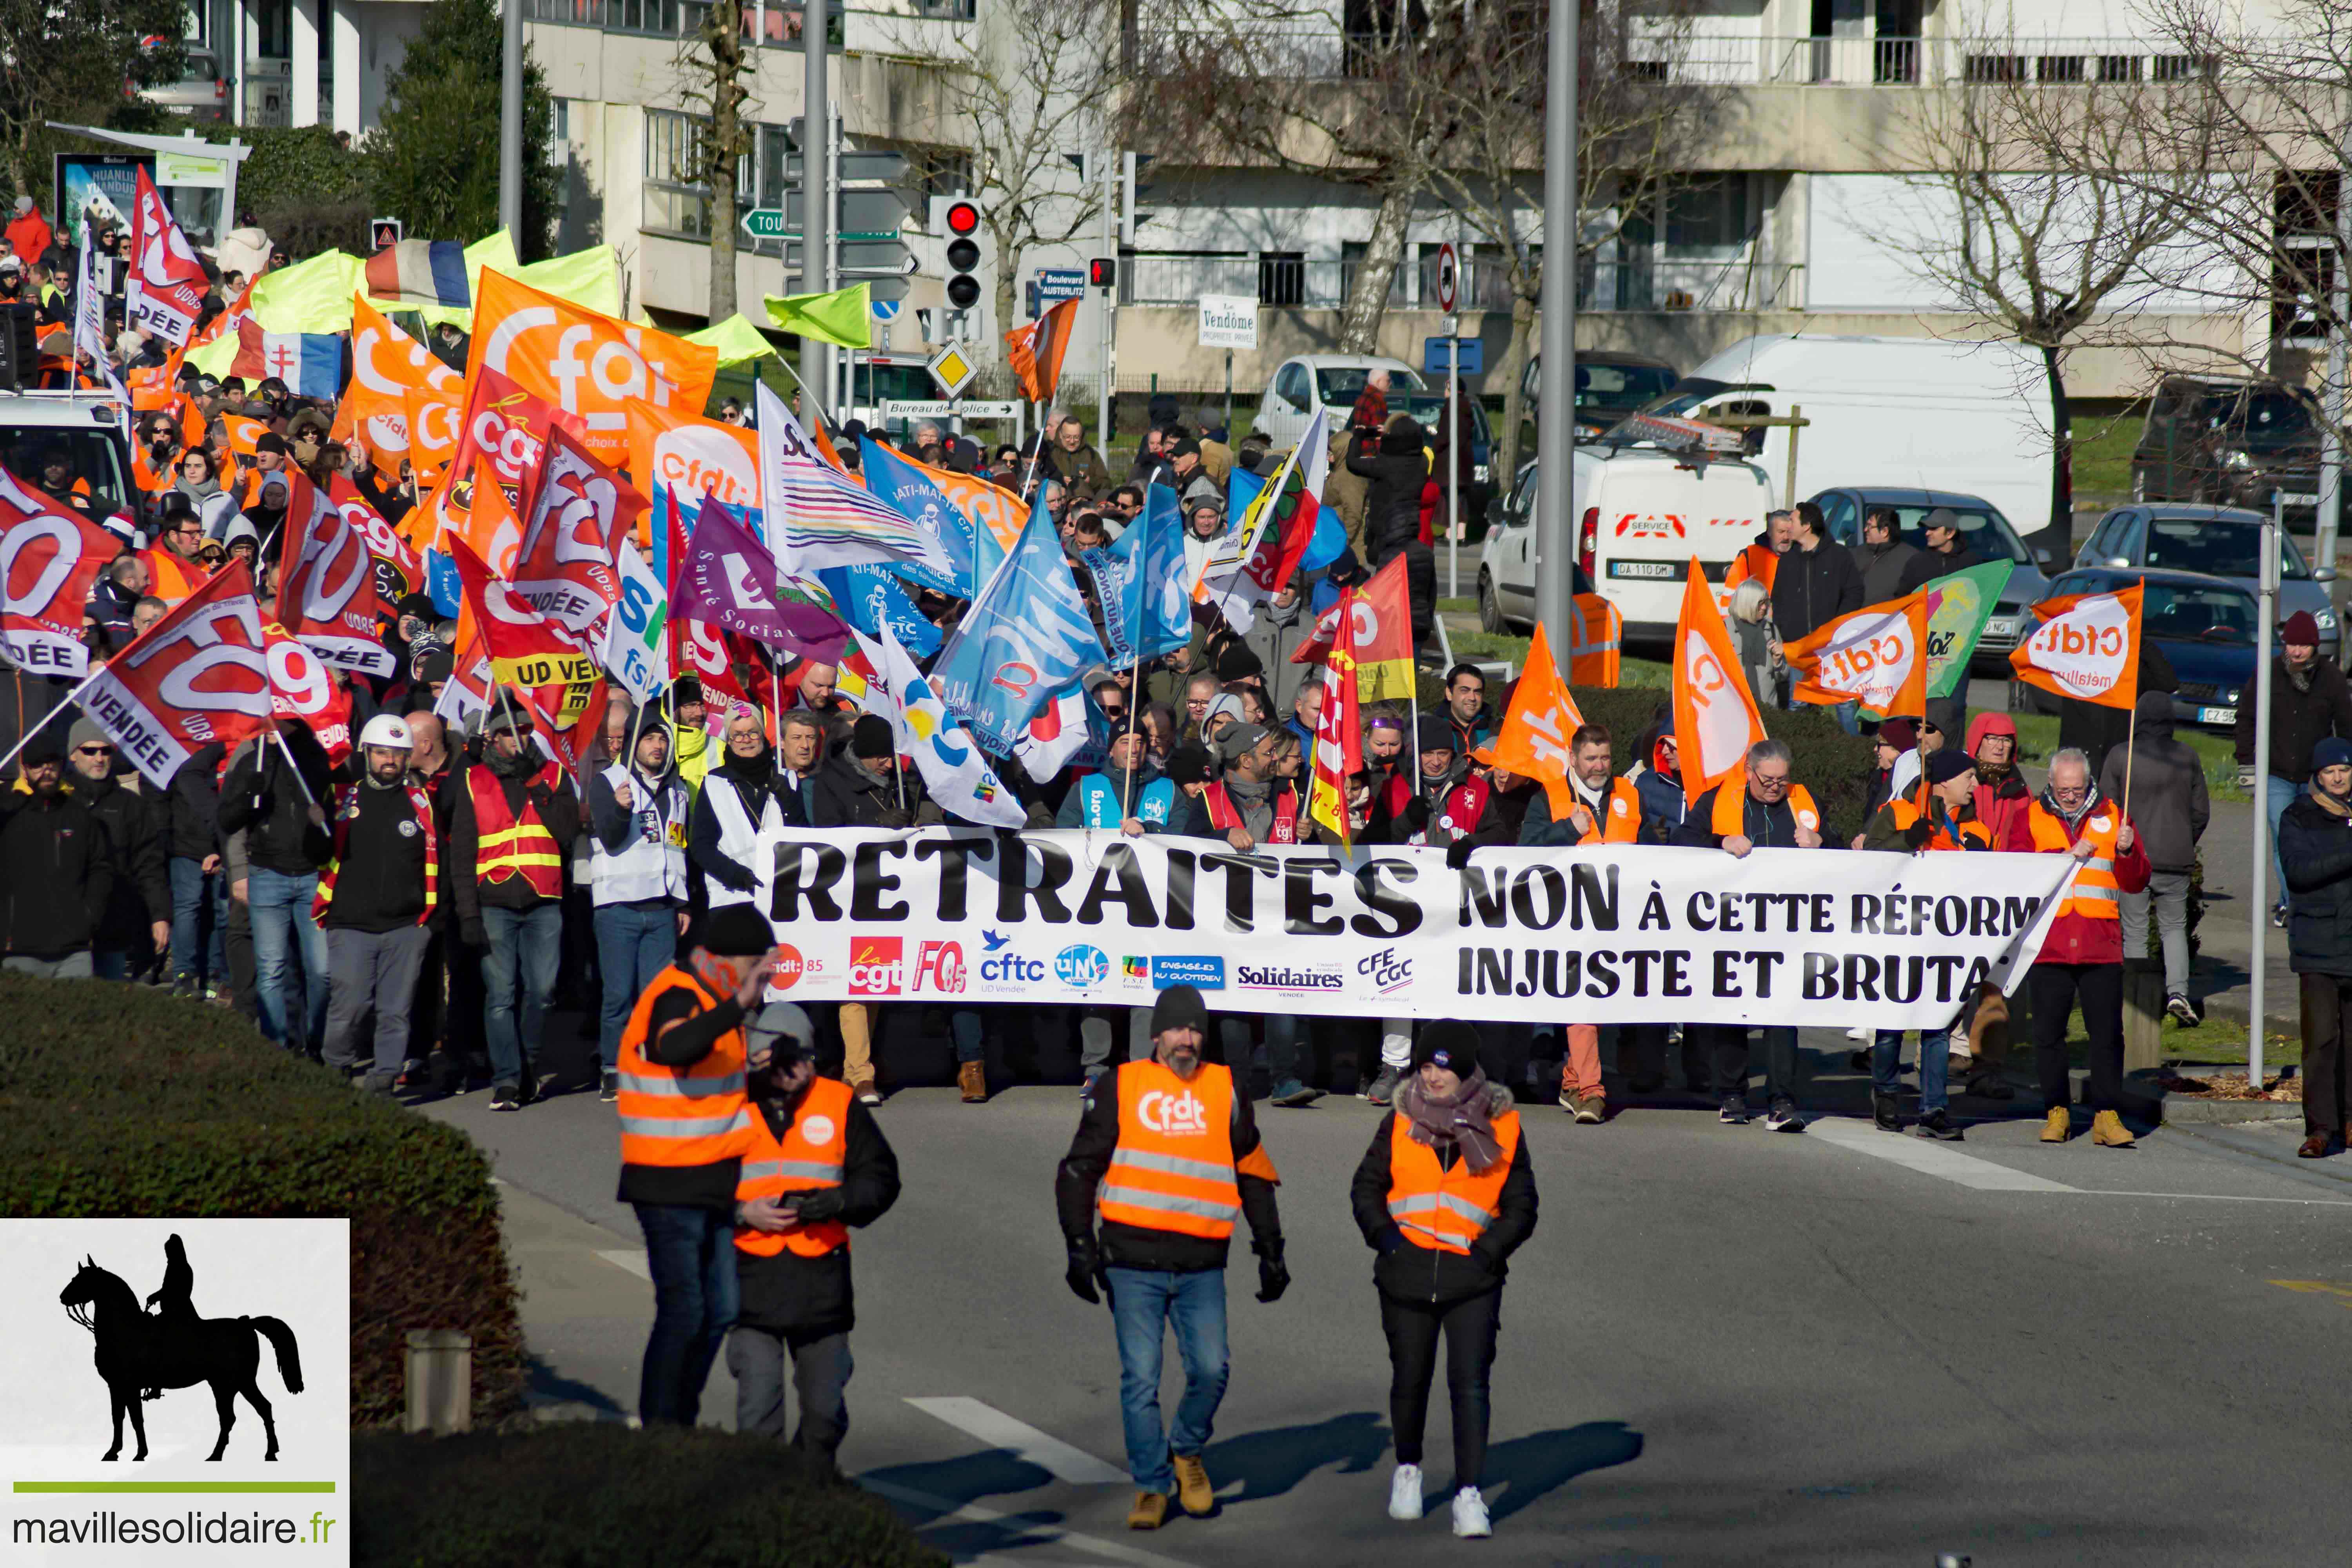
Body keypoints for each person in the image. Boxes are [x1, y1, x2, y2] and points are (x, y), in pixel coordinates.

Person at [1055, 984, 1286, 1532]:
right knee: (1141, 1379)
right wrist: (1079, 1244)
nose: (1187, 1040)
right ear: (1155, 1034)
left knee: (1211, 1369)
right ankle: (1152, 1486)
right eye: (1177, 1030)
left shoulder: (1226, 1087)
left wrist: (1271, 1247)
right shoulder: (1123, 1083)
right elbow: (1079, 1169)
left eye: (1195, 1030)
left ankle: (1186, 1449)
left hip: (1202, 1262)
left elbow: (1252, 1170)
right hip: (1131, 1262)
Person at [1349, 1020, 1536, 1540]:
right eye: (1426, 1066)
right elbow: (1366, 1189)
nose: (1432, 1077)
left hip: (1472, 1280)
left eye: (1444, 1068)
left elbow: (1522, 1207)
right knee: (1409, 1380)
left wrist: (1488, 1253)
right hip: (1405, 1275)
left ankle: (1468, 1495)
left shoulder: (1505, 1128)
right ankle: (1408, 1470)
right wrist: (1388, 1242)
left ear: (1468, 1073)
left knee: (1470, 1387)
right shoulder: (1399, 1121)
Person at [616, 905, 790, 1427]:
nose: (759, 979)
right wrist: (738, 1005)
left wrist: (770, 1077)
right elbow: (674, 1046)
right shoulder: (678, 992)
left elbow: (710, 1088)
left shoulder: (715, 1000)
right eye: (755, 967)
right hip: (668, 1183)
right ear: (722, 960)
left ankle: (678, 1426)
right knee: (686, 1310)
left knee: (721, 1311)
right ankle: (663, 1431)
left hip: (714, 1182)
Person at [726, 1001, 901, 1468]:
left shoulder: (838, 1102)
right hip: (750, 1281)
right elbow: (686, 1188)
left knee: (825, 1413)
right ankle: (768, 1509)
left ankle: (811, 1484)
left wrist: (836, 1202)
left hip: (820, 1282)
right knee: (758, 1414)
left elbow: (881, 1179)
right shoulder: (727, 1106)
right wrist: (743, 1212)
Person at [2002, 747, 2152, 1147]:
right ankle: (2057, 1111)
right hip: (2049, 944)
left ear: (2089, 783)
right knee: (2048, 1033)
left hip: (2099, 943)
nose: (2070, 795)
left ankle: (2106, 1115)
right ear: (2050, 782)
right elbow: (2016, 871)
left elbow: (2136, 881)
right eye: (2063, 788)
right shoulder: (2029, 817)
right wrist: (2063, 856)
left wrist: (2127, 850)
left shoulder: (2115, 816)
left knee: (2107, 1035)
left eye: (2077, 788)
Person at [1675, 738, 1824, 1131]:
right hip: (1732, 927)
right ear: (1749, 772)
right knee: (1732, 1010)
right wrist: (1719, 842)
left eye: (1782, 780)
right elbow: (1680, 841)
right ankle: (1732, 1094)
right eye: (1767, 780)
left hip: (1787, 930)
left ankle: (1782, 1101)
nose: (1775, 787)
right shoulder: (1718, 800)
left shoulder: (1802, 802)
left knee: (1782, 1013)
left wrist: (1821, 842)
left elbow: (1842, 855)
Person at [450, 697, 580, 1111]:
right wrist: (468, 913)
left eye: (523, 731)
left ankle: (527, 1064)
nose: (517, 739)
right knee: (501, 994)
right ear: (494, 737)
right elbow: (462, 853)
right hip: (494, 902)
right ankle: (507, 1079)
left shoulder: (554, 775)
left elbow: (565, 831)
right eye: (508, 732)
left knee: (542, 993)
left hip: (544, 899)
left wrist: (534, 782)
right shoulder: (474, 779)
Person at [1860, 750, 1994, 1138]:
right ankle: (1886, 1092)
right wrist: (1907, 840)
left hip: (1948, 943)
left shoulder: (1978, 830)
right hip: (1900, 938)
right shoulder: (1902, 812)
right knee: (1893, 1023)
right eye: (1969, 777)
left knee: (1936, 1024)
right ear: (1945, 781)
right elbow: (1870, 858)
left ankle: (1934, 1109)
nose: (1975, 785)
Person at [314, 715, 439, 1094]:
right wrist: (312, 826)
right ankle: (336, 1068)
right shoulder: (340, 799)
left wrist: (428, 921)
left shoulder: (422, 803)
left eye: (398, 754)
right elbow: (315, 855)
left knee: (395, 1012)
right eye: (382, 752)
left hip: (406, 927)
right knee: (348, 1007)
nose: (390, 761)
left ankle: (384, 1080)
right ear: (366, 754)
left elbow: (439, 861)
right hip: (351, 924)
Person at [589, 704, 693, 1102]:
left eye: (663, 738)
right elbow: (611, 838)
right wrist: (620, 808)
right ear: (633, 743)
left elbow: (677, 846)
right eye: (650, 738)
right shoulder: (608, 781)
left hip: (663, 907)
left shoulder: (678, 787)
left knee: (657, 995)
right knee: (618, 994)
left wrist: (683, 902)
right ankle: (614, 1067)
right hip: (619, 906)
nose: (658, 746)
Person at [216, 722, 333, 1056]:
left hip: (313, 874)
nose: (273, 722)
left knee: (321, 972)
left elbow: (335, 812)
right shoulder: (251, 755)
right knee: (271, 970)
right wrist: (246, 794)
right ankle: (277, 1049)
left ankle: (316, 1045)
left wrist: (322, 822)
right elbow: (227, 820)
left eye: (282, 714)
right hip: (266, 873)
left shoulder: (315, 753)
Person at [2234, 610, 2352, 927]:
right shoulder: (2268, 674)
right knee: (2284, 839)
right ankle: (2293, 904)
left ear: (2315, 645)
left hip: (2319, 778)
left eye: (2304, 645)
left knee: (2321, 841)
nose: (2297, 651)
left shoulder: (2331, 679)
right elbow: (2246, 717)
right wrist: (2247, 762)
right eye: (2291, 645)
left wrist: (2345, 769)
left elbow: (2346, 726)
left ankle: (2315, 901)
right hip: (2277, 774)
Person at [2100, 688, 2209, 1024]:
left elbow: (2106, 809)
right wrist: (2184, 839)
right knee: (2174, 928)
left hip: (2134, 856)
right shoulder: (2187, 756)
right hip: (2176, 858)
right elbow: (2200, 812)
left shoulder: (2122, 756)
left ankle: (2135, 999)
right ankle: (2178, 992)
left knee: (2133, 928)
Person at [2280, 737, 2352, 1158]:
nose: (2339, 777)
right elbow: (2299, 873)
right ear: (2318, 776)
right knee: (2321, 1041)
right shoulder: (2299, 816)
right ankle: (2321, 1127)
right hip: (2318, 944)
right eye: (2330, 772)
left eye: (2344, 769)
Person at [0, 730, 113, 978]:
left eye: (52, 763)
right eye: (37, 765)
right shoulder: (8, 814)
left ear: (61, 766)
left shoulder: (80, 816)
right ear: (25, 769)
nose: (46, 771)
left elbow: (100, 868)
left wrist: (90, 916)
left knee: (78, 1016)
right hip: (18, 949)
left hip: (74, 950)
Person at [63, 719, 168, 982]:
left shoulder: (131, 805)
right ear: (73, 755)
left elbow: (149, 864)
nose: (99, 758)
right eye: (90, 751)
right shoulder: (59, 802)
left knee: (109, 1003)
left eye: (106, 751)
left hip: (114, 922)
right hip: (63, 926)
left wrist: (160, 916)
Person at [690, 706, 790, 910]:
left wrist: (789, 801)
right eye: (737, 735)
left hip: (781, 894)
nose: (746, 740)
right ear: (729, 741)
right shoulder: (714, 783)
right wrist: (738, 876)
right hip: (732, 897)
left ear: (763, 736)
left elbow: (802, 835)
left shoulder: (786, 780)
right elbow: (701, 846)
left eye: (753, 732)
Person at [1767, 500, 1863, 675]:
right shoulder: (1787, 561)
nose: (1788, 526)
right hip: (1799, 649)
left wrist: (1838, 628)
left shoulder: (1839, 556)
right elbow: (1778, 600)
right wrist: (1787, 632)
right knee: (1798, 701)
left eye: (1792, 521)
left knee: (1840, 701)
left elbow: (1854, 593)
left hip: (1834, 648)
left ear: (1806, 526)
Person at [1895, 506, 1984, 592]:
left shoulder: (1972, 563)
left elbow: (1982, 595)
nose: (1927, 533)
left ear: (1950, 533)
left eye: (1934, 528)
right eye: (1928, 528)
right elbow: (1903, 599)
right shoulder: (1916, 563)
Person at [1855, 506, 1919, 606]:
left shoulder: (1911, 559)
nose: (1865, 530)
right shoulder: (1856, 554)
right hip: (1854, 619)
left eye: (1869, 526)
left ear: (1885, 531)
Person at [1044, 415, 1111, 502]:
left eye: (1076, 438)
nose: (1072, 442)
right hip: (1058, 505)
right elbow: (1041, 481)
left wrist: (1090, 481)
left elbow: (1107, 484)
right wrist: (1059, 480)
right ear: (1060, 435)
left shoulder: (1091, 455)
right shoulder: (1050, 454)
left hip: (1086, 505)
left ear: (1082, 435)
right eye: (1068, 437)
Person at [1441, 664, 1496, 755]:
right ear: (1449, 693)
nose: (1472, 698)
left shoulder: (1495, 729)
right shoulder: (1433, 729)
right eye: (1464, 690)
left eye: (1477, 692)